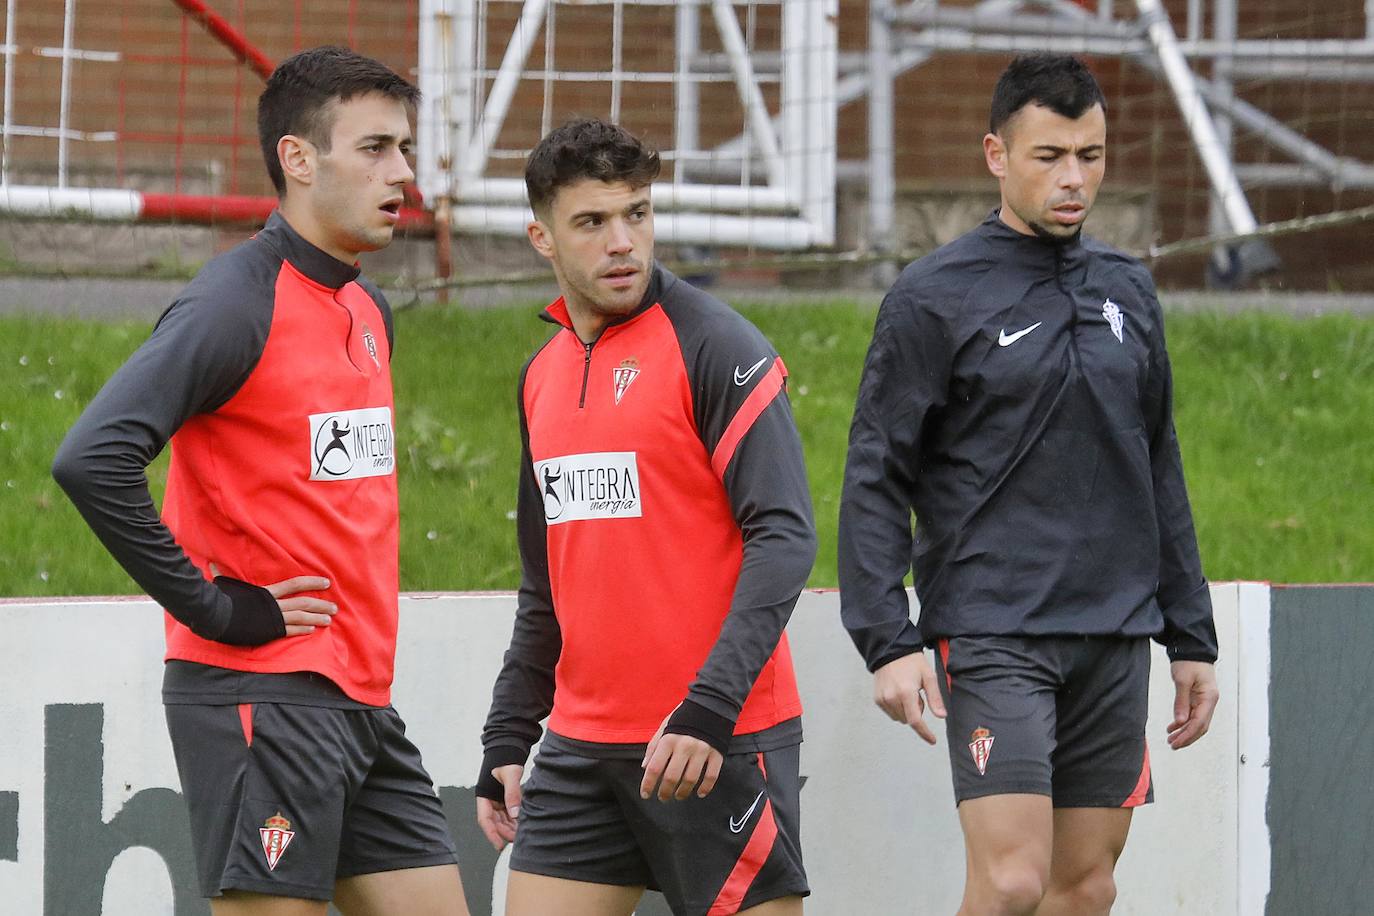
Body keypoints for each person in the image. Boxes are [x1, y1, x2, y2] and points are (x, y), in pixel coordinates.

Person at [52, 46, 469, 915]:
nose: (404, 175)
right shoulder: (233, 302)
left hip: (361, 705)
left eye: (404, 149)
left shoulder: (365, 308)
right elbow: (91, 458)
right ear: (298, 158)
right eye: (376, 149)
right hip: (261, 699)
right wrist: (214, 608)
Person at [838, 54, 1220, 915]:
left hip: (1115, 632)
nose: (1074, 177)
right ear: (995, 156)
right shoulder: (931, 298)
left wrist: (1191, 636)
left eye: (1090, 154)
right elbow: (875, 474)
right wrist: (884, 635)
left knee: (1083, 889)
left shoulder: (1129, 289)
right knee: (1012, 882)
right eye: (1049, 155)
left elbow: (1158, 460)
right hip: (994, 630)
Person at [473, 118, 816, 916]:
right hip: (581, 754)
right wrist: (509, 733)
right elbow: (545, 579)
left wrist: (710, 708)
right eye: (592, 222)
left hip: (714, 740)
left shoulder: (719, 347)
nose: (622, 241)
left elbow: (786, 537)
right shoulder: (541, 376)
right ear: (542, 238)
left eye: (637, 214)